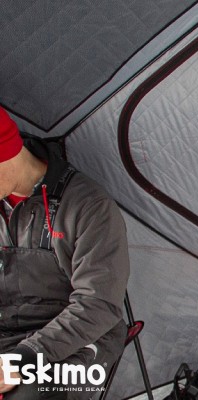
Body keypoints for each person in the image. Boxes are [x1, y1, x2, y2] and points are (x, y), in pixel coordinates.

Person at [0, 107, 130, 399]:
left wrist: (24, 359)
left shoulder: (88, 206)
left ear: (6, 154)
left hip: (78, 340)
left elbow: (100, 303)